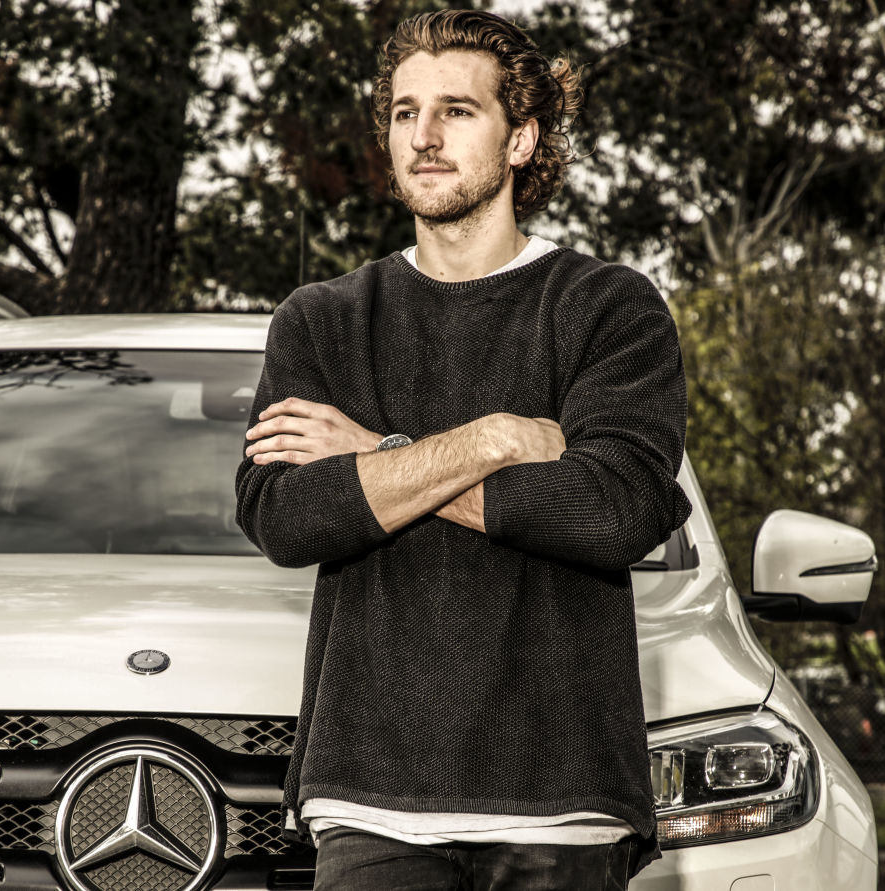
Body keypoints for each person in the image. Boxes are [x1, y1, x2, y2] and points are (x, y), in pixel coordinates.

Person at [235, 9, 691, 889]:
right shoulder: (323, 319)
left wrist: (371, 454)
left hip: (561, 800)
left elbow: (609, 511)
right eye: (405, 113)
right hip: (369, 800)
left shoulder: (607, 307)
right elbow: (287, 518)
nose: (425, 136)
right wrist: (490, 439)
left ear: (520, 138)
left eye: (456, 110)